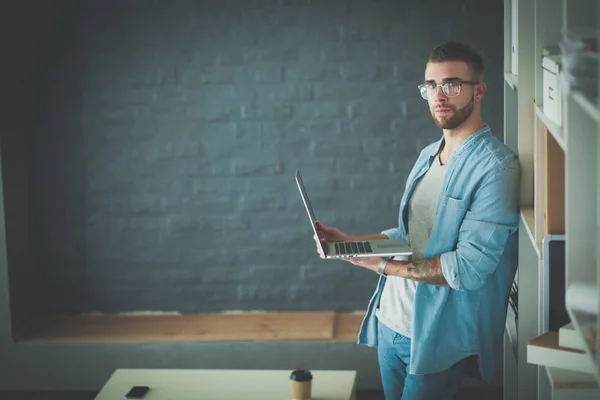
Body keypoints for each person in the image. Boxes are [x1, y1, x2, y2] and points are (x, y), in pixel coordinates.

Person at [313, 41, 520, 400]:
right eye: (431, 86)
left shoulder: (496, 168)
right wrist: (350, 243)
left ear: (479, 90)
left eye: (452, 85)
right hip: (390, 321)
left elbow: (467, 270)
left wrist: (382, 265)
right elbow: (411, 236)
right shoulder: (429, 155)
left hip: (435, 337)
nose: (440, 96)